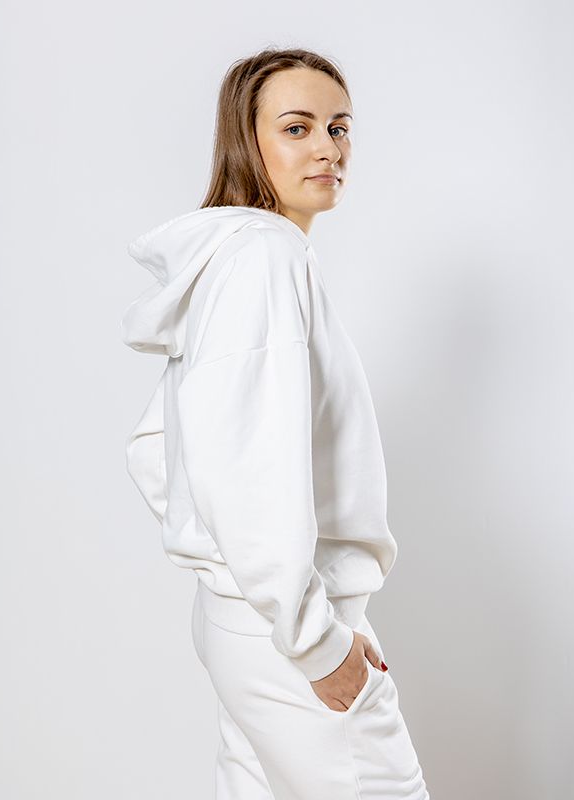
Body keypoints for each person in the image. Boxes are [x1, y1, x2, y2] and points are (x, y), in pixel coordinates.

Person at [121, 47, 431, 800]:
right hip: (288, 633)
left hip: (247, 621)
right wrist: (314, 638)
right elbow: (244, 470)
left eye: (339, 127)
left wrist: (235, 575)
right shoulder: (264, 258)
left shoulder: (229, 262)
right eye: (297, 127)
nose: (328, 148)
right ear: (246, 141)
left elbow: (158, 449)